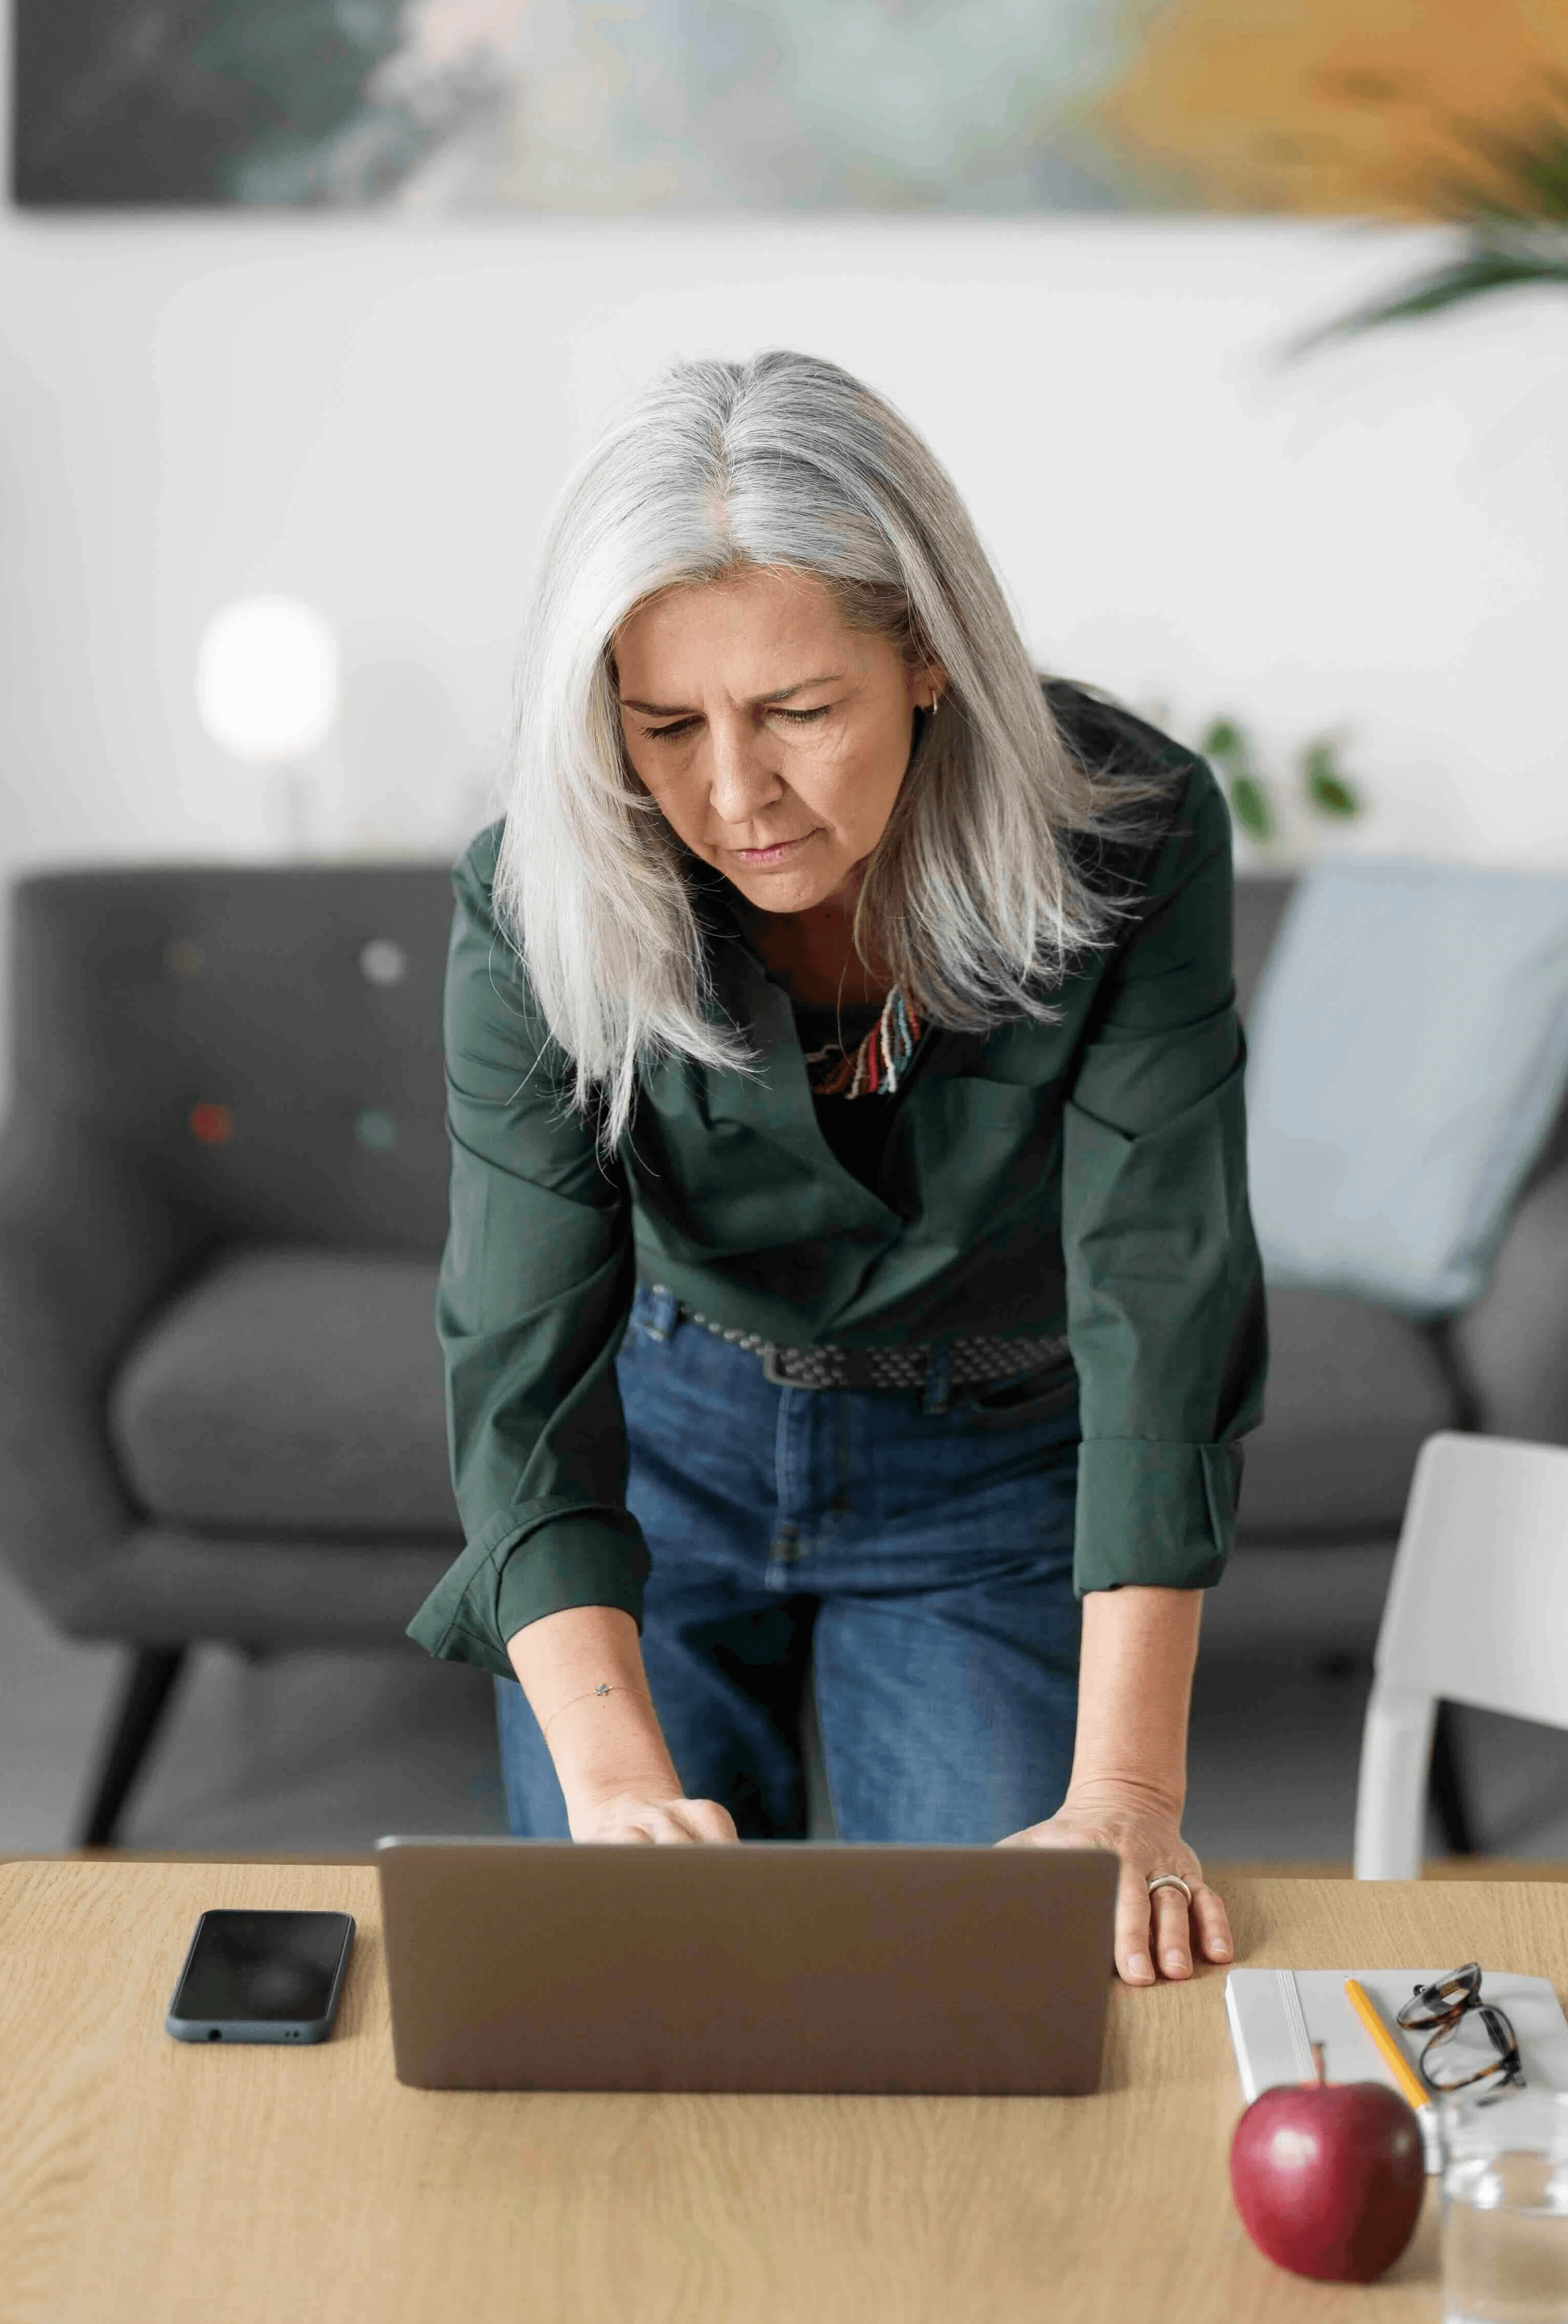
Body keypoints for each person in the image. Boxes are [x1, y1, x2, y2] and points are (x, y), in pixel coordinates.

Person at [410, 350, 1266, 1988]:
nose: (735, 795)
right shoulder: (536, 893)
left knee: (989, 1993)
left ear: (929, 658)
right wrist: (616, 1794)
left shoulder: (1135, 831)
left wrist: (1131, 1796)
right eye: (667, 725)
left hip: (995, 1468)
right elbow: (517, 1370)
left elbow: (1166, 1298)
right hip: (671, 1449)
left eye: (801, 710)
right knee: (637, 1993)